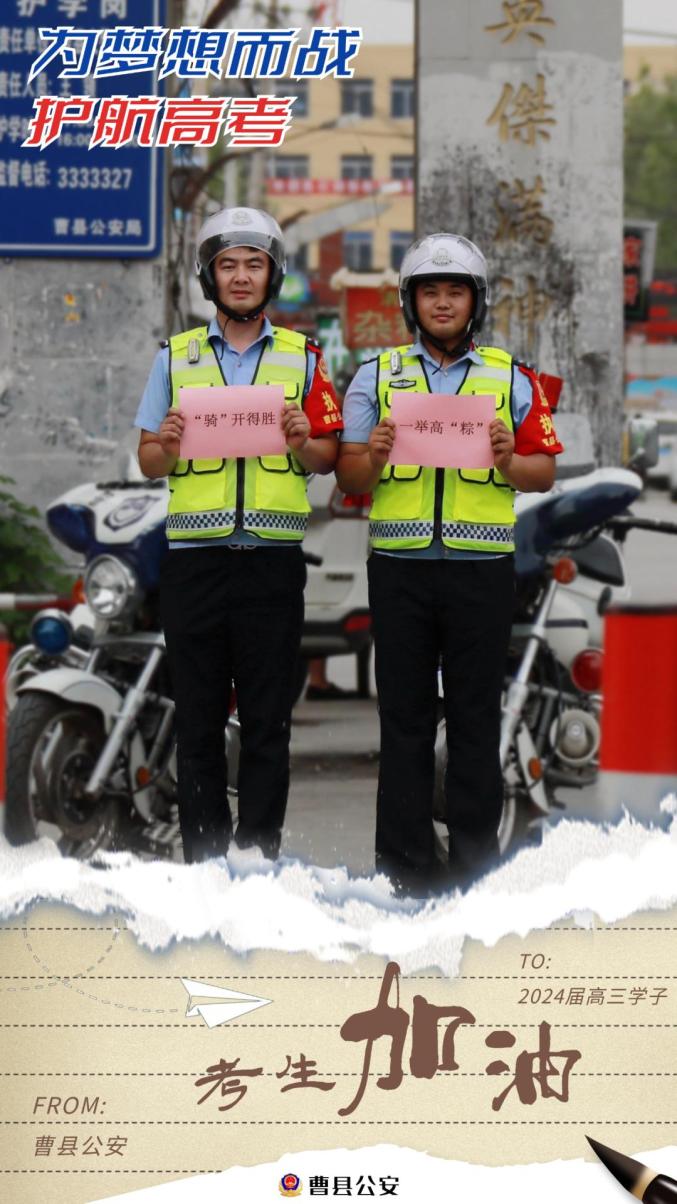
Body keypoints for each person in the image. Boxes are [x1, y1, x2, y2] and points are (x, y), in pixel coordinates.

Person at [336, 232, 563, 895]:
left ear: (475, 302)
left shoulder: (510, 378)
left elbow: (542, 469)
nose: (441, 303)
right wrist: (371, 454)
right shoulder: (375, 377)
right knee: (402, 722)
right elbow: (346, 475)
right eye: (428, 292)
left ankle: (472, 870)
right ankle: (404, 871)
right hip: (400, 568)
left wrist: (504, 459)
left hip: (480, 570)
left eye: (453, 291)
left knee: (473, 720)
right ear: (410, 302)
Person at [135, 207, 342, 863]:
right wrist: (164, 446)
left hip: (271, 567)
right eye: (229, 264)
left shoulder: (305, 358)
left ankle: (258, 860)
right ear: (209, 276)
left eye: (254, 264)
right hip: (194, 565)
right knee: (196, 722)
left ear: (272, 275)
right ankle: (204, 860)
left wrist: (303, 440)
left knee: (266, 724)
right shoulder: (176, 357)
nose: (242, 277)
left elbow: (330, 458)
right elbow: (148, 459)